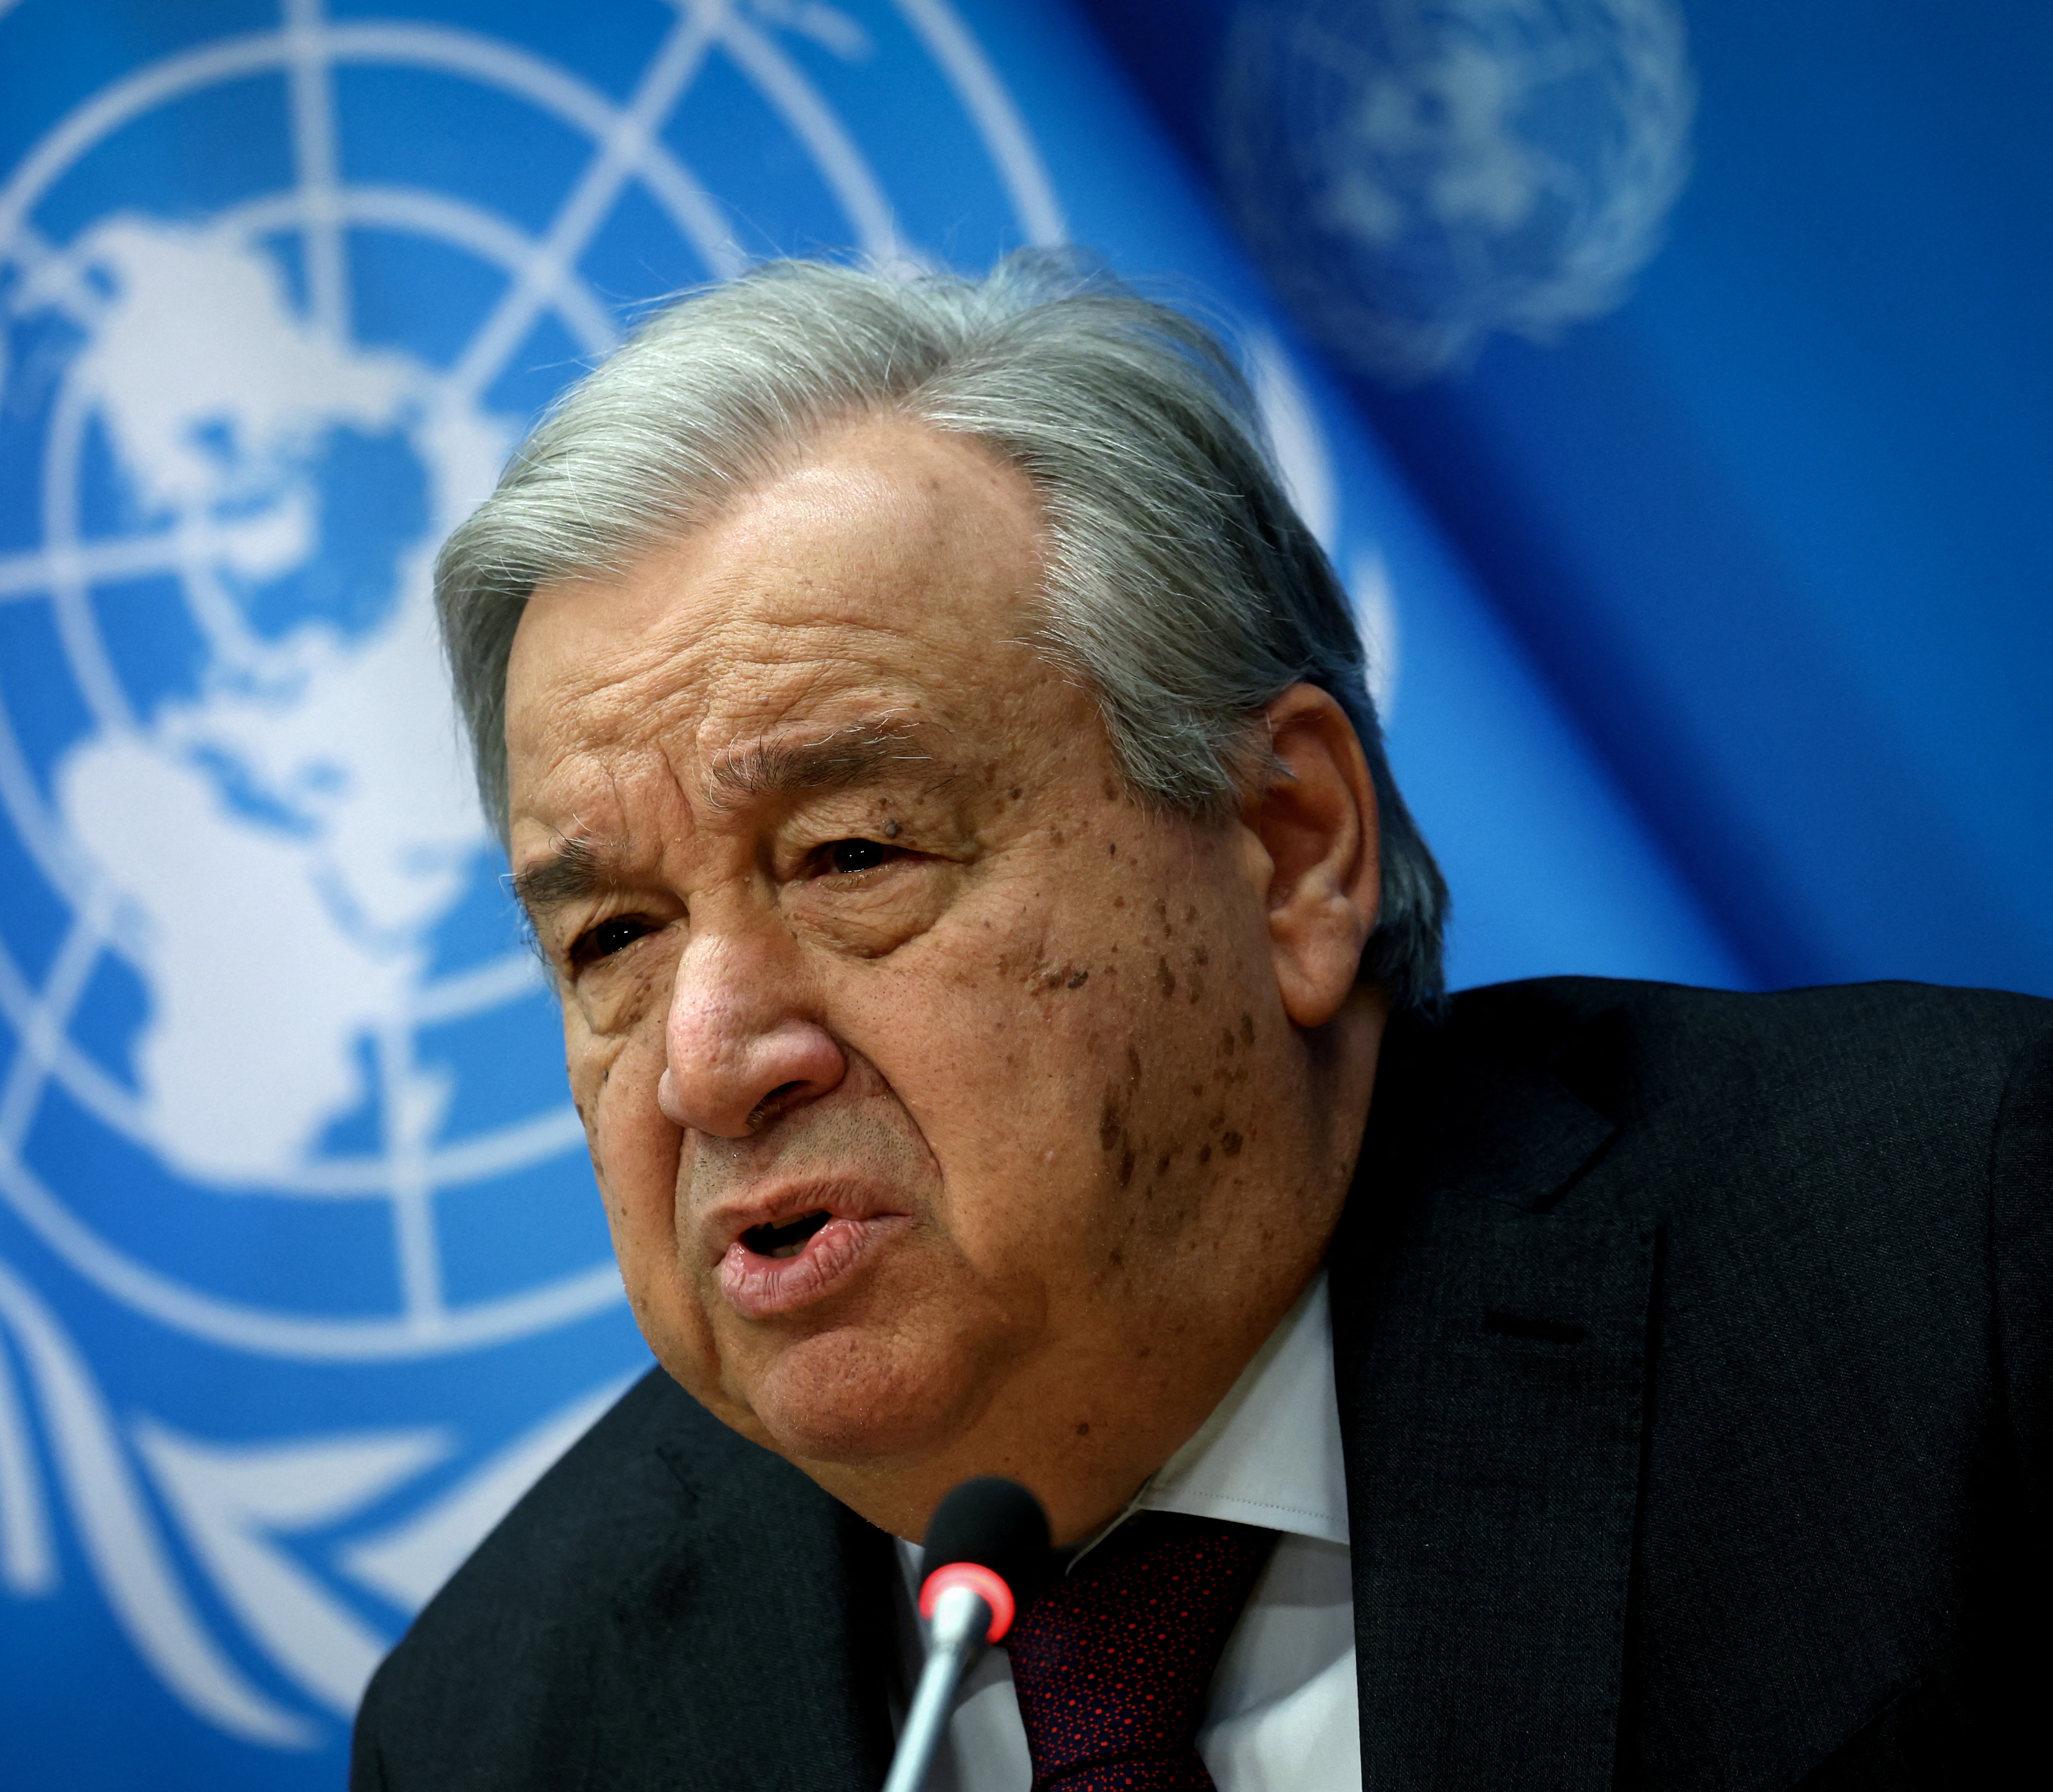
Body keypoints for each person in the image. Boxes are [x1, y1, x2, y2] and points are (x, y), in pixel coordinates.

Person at [350, 254, 2051, 1792]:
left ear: (1289, 847)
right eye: (613, 936)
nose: (709, 1058)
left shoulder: (1949, 1280)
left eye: (852, 851)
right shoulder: (505, 1730)